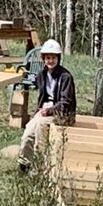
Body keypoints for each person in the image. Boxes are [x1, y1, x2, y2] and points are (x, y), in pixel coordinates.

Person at [17, 38, 76, 173]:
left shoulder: (65, 77)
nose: (50, 61)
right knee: (28, 130)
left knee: (40, 128)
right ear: (43, 59)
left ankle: (41, 165)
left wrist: (49, 111)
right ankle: (24, 162)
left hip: (62, 112)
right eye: (48, 58)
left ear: (58, 58)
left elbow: (66, 103)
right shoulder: (42, 74)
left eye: (53, 58)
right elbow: (40, 93)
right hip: (46, 108)